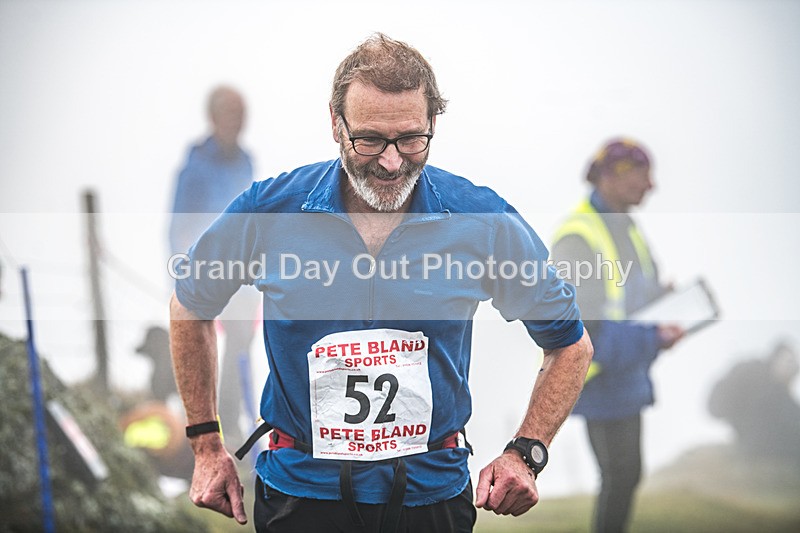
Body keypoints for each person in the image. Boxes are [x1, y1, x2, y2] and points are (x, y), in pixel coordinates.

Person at [169, 34, 593, 532]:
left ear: (433, 124)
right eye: (369, 140)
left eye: (411, 139)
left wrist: (526, 453)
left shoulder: (481, 219)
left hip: (430, 498)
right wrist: (205, 444)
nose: (391, 162)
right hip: (300, 497)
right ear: (335, 123)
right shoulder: (270, 210)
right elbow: (189, 305)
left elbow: (570, 345)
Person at [551, 138, 685, 533]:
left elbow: (629, 295)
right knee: (620, 476)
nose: (651, 185)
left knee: (625, 475)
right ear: (611, 176)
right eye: (643, 175)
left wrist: (662, 299)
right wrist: (654, 337)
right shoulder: (577, 235)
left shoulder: (626, 225)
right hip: (601, 377)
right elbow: (584, 327)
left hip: (625, 371)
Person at [168, 85, 260, 446]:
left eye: (241, 114)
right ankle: (204, 427)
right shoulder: (194, 169)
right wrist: (184, 281)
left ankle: (232, 425)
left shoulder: (246, 161)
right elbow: (180, 227)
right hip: (206, 273)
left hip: (243, 277)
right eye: (230, 113)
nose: (237, 121)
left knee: (241, 344)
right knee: (199, 345)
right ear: (213, 117)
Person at [708, 340, 800, 463]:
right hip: (754, 452)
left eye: (795, 365)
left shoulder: (785, 399)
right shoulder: (755, 373)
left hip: (767, 453)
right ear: (776, 358)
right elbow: (716, 405)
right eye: (789, 361)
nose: (793, 367)